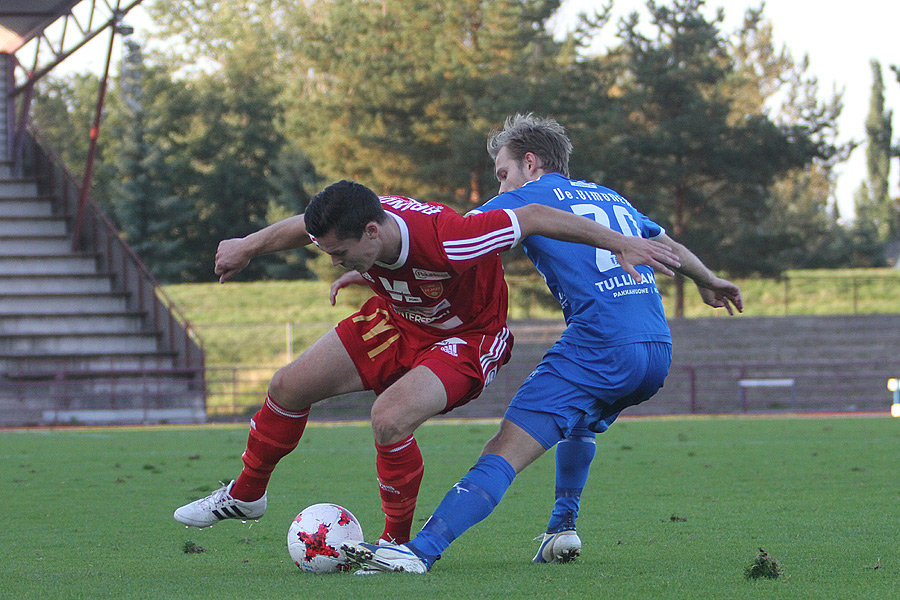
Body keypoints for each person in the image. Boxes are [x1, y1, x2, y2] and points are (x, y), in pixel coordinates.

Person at [173, 178, 680, 547]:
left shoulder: (450, 236)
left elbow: (534, 218)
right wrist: (247, 246)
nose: (334, 260)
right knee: (287, 386)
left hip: (468, 338)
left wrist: (624, 243)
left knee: (389, 418)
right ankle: (245, 495)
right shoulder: (355, 226)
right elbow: (301, 230)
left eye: (342, 253)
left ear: (374, 231)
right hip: (399, 321)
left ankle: (394, 545)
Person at [341, 113, 743, 573]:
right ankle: (561, 526)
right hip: (654, 347)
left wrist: (379, 264)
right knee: (580, 418)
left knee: (503, 451)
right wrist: (708, 280)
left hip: (600, 345)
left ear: (530, 163)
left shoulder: (524, 200)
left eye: (503, 173)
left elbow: (441, 240)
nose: (501, 186)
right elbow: (665, 242)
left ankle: (418, 552)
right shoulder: (609, 196)